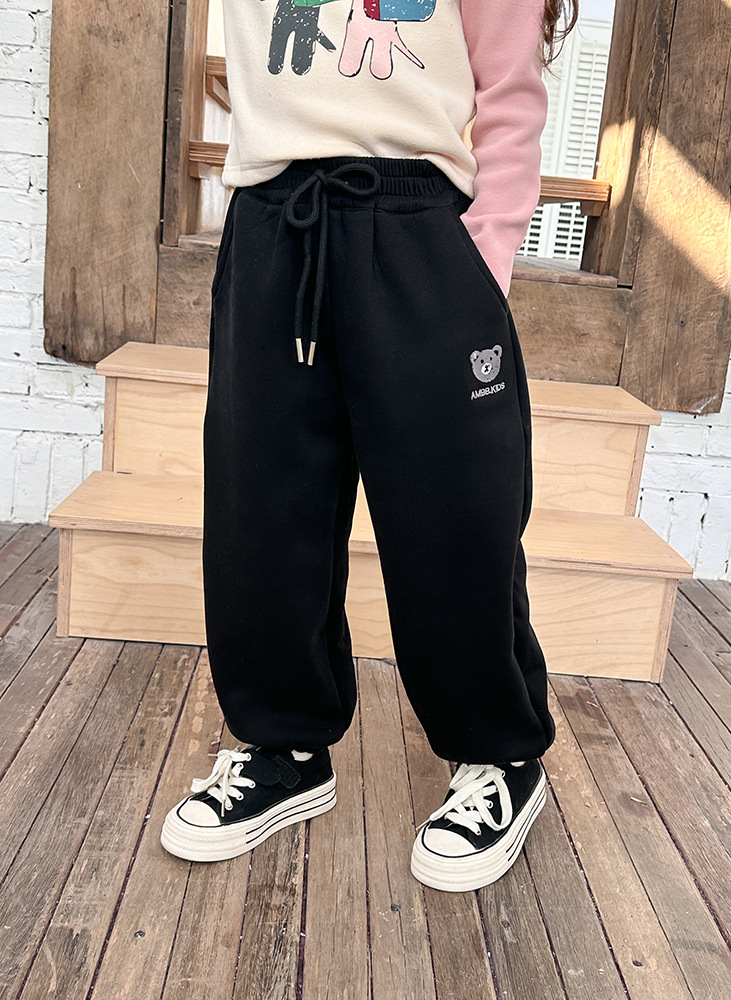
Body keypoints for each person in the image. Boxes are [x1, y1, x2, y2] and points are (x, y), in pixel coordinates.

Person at [160, 0, 578, 893]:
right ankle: (285, 747)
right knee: (263, 506)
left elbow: (509, 93)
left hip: (422, 233)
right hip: (276, 223)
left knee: (454, 513)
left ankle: (502, 754)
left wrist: (478, 265)